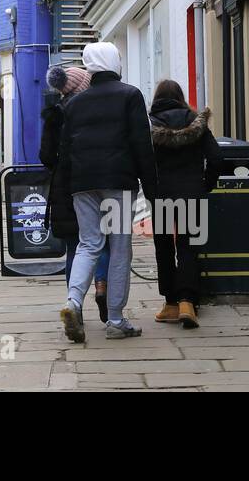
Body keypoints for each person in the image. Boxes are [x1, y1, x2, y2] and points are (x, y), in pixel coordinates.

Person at [57, 41, 156, 343]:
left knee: (88, 244)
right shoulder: (130, 95)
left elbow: (65, 151)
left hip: (82, 183)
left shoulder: (73, 103)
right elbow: (142, 144)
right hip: (117, 182)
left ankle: (73, 303)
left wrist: (64, 191)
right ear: (114, 62)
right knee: (119, 247)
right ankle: (115, 319)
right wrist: (153, 188)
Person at [149, 79, 222, 329]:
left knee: (164, 247)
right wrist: (206, 184)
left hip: (161, 194)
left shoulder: (148, 125)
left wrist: (150, 189)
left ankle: (170, 303)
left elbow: (143, 162)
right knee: (189, 246)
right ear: (180, 97)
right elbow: (216, 157)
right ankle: (187, 302)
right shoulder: (196, 123)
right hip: (192, 192)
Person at [40, 65, 110, 320]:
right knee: (101, 240)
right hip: (95, 181)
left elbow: (45, 155)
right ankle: (101, 285)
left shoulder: (54, 115)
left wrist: (58, 166)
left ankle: (75, 305)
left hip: (64, 185)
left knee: (74, 246)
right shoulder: (94, 111)